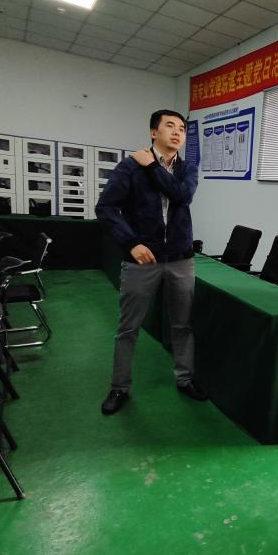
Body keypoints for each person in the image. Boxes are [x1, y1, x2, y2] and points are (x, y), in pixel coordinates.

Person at [95, 109, 207, 415]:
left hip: (181, 260)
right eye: (170, 126)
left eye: (182, 128)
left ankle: (185, 379)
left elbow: (181, 196)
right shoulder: (129, 167)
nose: (177, 132)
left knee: (182, 324)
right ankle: (119, 387)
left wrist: (153, 167)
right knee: (128, 327)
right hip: (142, 261)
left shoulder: (187, 169)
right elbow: (105, 208)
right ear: (153, 132)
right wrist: (130, 243)